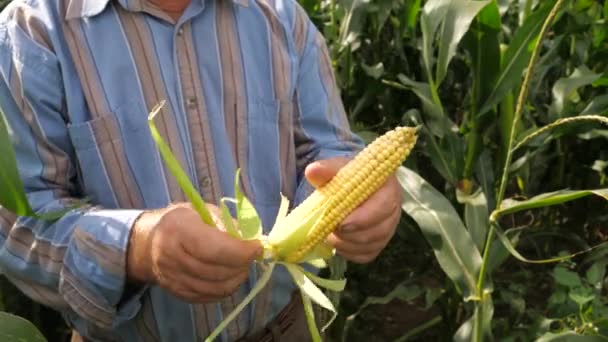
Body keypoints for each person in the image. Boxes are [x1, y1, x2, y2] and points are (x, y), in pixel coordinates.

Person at [0, 0, 403, 340]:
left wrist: (356, 198)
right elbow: (17, 225)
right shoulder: (31, 35)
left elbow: (328, 148)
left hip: (282, 327)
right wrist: (139, 248)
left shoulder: (280, 16)